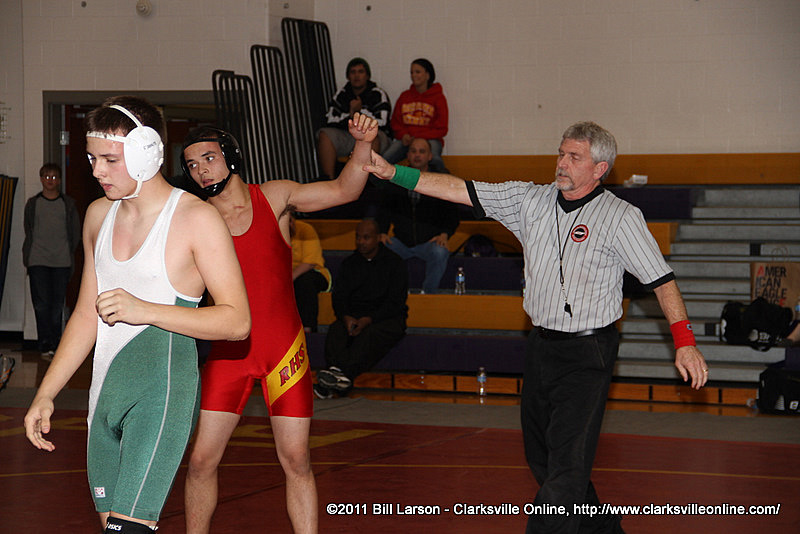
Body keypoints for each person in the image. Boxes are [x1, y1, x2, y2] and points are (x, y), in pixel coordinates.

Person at [364, 121, 709, 534]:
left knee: (566, 469)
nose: (562, 162)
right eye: (561, 153)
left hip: (588, 353)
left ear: (599, 169)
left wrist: (685, 342)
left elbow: (661, 281)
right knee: (544, 459)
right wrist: (393, 173)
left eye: (574, 157)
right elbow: (459, 189)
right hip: (541, 347)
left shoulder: (621, 217)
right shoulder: (528, 200)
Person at [23, 95, 251, 534]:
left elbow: (237, 321)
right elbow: (86, 316)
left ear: (147, 152)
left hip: (159, 396)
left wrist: (144, 310)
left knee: (127, 530)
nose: (97, 171)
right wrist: (46, 392)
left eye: (110, 160)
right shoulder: (97, 216)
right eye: (93, 158)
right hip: (103, 398)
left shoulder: (195, 219)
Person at [181, 112, 379, 534]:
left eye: (209, 158)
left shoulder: (273, 198)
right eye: (192, 165)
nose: (201, 171)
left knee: (296, 460)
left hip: (282, 350)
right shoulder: (195, 218)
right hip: (229, 353)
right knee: (200, 461)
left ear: (231, 157)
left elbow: (344, 190)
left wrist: (362, 144)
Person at [315, 218, 408, 398]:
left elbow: (396, 302)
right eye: (358, 237)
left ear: (378, 238)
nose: (361, 242)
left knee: (370, 334)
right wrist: (346, 316)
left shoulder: (394, 263)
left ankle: (338, 376)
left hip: (386, 318)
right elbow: (339, 297)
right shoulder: (349, 263)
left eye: (366, 237)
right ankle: (338, 377)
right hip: (354, 316)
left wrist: (369, 319)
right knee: (336, 330)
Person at [377, 137, 459, 293]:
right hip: (401, 241)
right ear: (408, 155)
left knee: (440, 251)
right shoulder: (396, 178)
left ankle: (428, 294)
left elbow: (452, 212)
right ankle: (394, 293)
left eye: (422, 152)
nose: (417, 155)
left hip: (429, 242)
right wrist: (382, 231)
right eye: (413, 151)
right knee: (379, 248)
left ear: (430, 156)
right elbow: (384, 209)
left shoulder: (440, 179)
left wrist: (445, 234)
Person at [23, 163, 81, 359]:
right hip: (37, 260)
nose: (50, 180)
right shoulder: (33, 203)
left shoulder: (68, 204)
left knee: (56, 306)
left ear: (59, 180)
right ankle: (44, 343)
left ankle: (56, 344)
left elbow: (75, 233)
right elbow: (29, 229)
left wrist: (67, 251)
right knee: (41, 304)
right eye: (46, 176)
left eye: (54, 177)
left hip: (61, 262)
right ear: (41, 179)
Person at [317, 57, 391, 180]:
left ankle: (366, 181)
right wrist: (351, 115)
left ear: (367, 76)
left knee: (372, 137)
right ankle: (329, 180)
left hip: (374, 136)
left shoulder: (377, 94)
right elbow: (330, 120)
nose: (357, 76)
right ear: (348, 76)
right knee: (324, 134)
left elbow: (382, 122)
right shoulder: (342, 94)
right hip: (348, 134)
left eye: (360, 72)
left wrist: (359, 112)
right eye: (353, 72)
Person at [382, 58, 448, 169]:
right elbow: (395, 123)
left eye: (417, 72)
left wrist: (418, 137)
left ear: (428, 75)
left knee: (435, 159)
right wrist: (403, 135)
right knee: (385, 159)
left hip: (430, 140)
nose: (413, 75)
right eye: (412, 72)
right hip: (406, 140)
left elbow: (442, 128)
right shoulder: (404, 96)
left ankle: (443, 179)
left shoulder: (438, 98)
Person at [290, 213, 331, 333]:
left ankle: (308, 328)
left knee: (304, 281)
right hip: (287, 275)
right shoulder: (272, 232)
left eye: (290, 220)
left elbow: (310, 263)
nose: (289, 224)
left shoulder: (305, 229)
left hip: (313, 273)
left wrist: (289, 279)